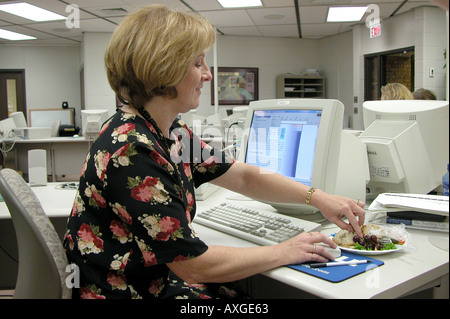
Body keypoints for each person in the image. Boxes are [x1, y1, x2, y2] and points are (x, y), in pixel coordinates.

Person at [64, 4, 365, 299]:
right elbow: (193, 266)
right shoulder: (132, 149)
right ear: (163, 69)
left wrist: (318, 197)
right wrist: (284, 251)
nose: (208, 75)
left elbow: (242, 176)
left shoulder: (169, 131)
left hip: (153, 280)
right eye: (197, 64)